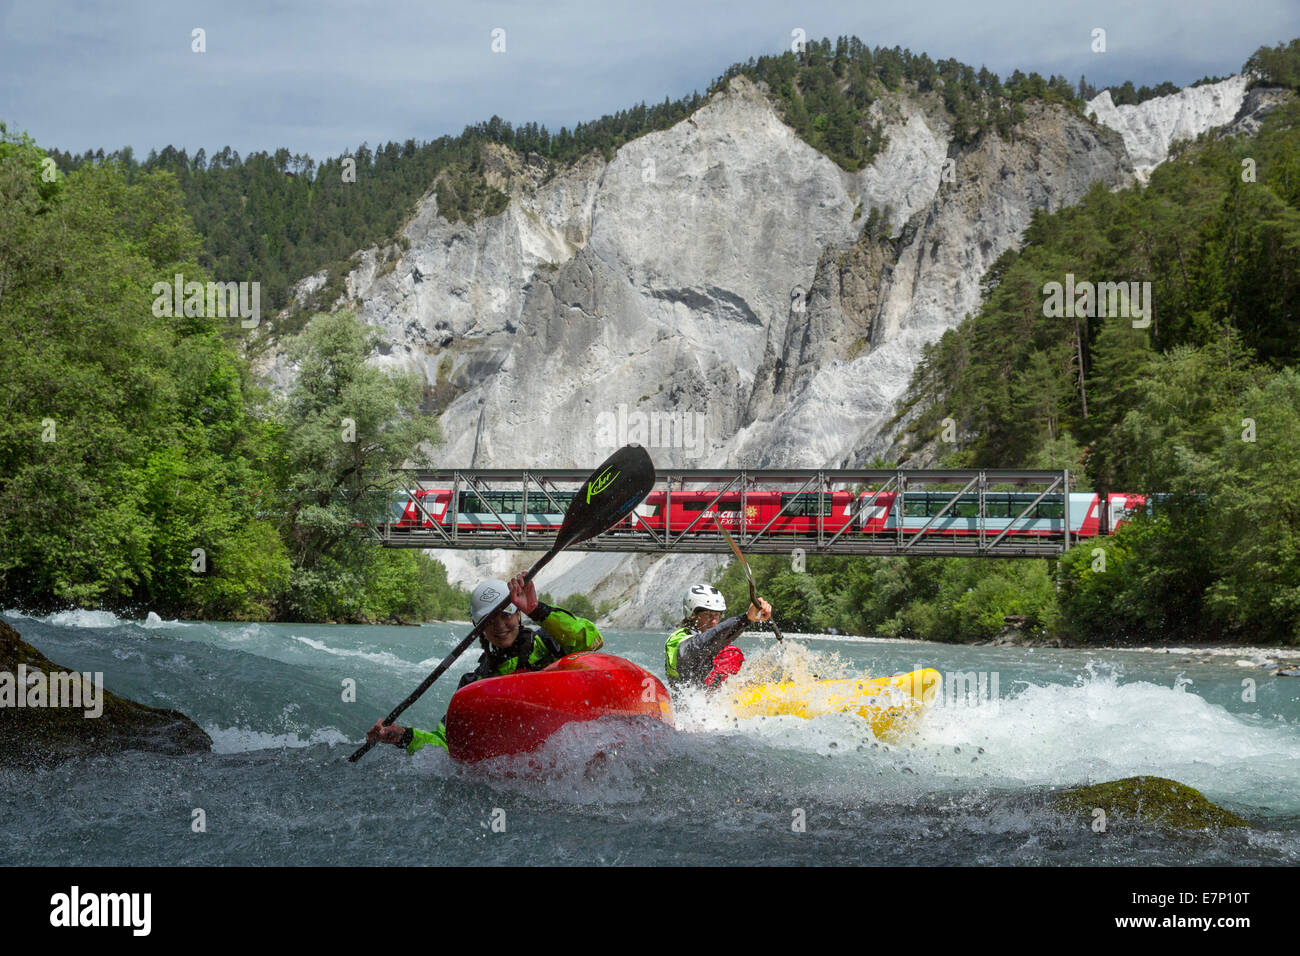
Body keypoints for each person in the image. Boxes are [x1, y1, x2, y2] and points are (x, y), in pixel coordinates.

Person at [366, 572, 604, 753]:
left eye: (506, 615)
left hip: (576, 742)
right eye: (490, 621)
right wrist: (405, 736)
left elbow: (592, 640)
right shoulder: (475, 684)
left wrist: (537, 610)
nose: (500, 626)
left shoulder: (550, 642)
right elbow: (449, 746)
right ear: (478, 627)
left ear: (518, 614)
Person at [664, 583, 772, 691]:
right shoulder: (676, 641)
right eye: (707, 614)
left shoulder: (715, 642)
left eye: (717, 615)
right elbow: (699, 645)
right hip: (683, 702)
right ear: (692, 615)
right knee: (727, 655)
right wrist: (746, 618)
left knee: (733, 654)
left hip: (713, 700)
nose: (714, 621)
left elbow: (714, 639)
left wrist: (751, 618)